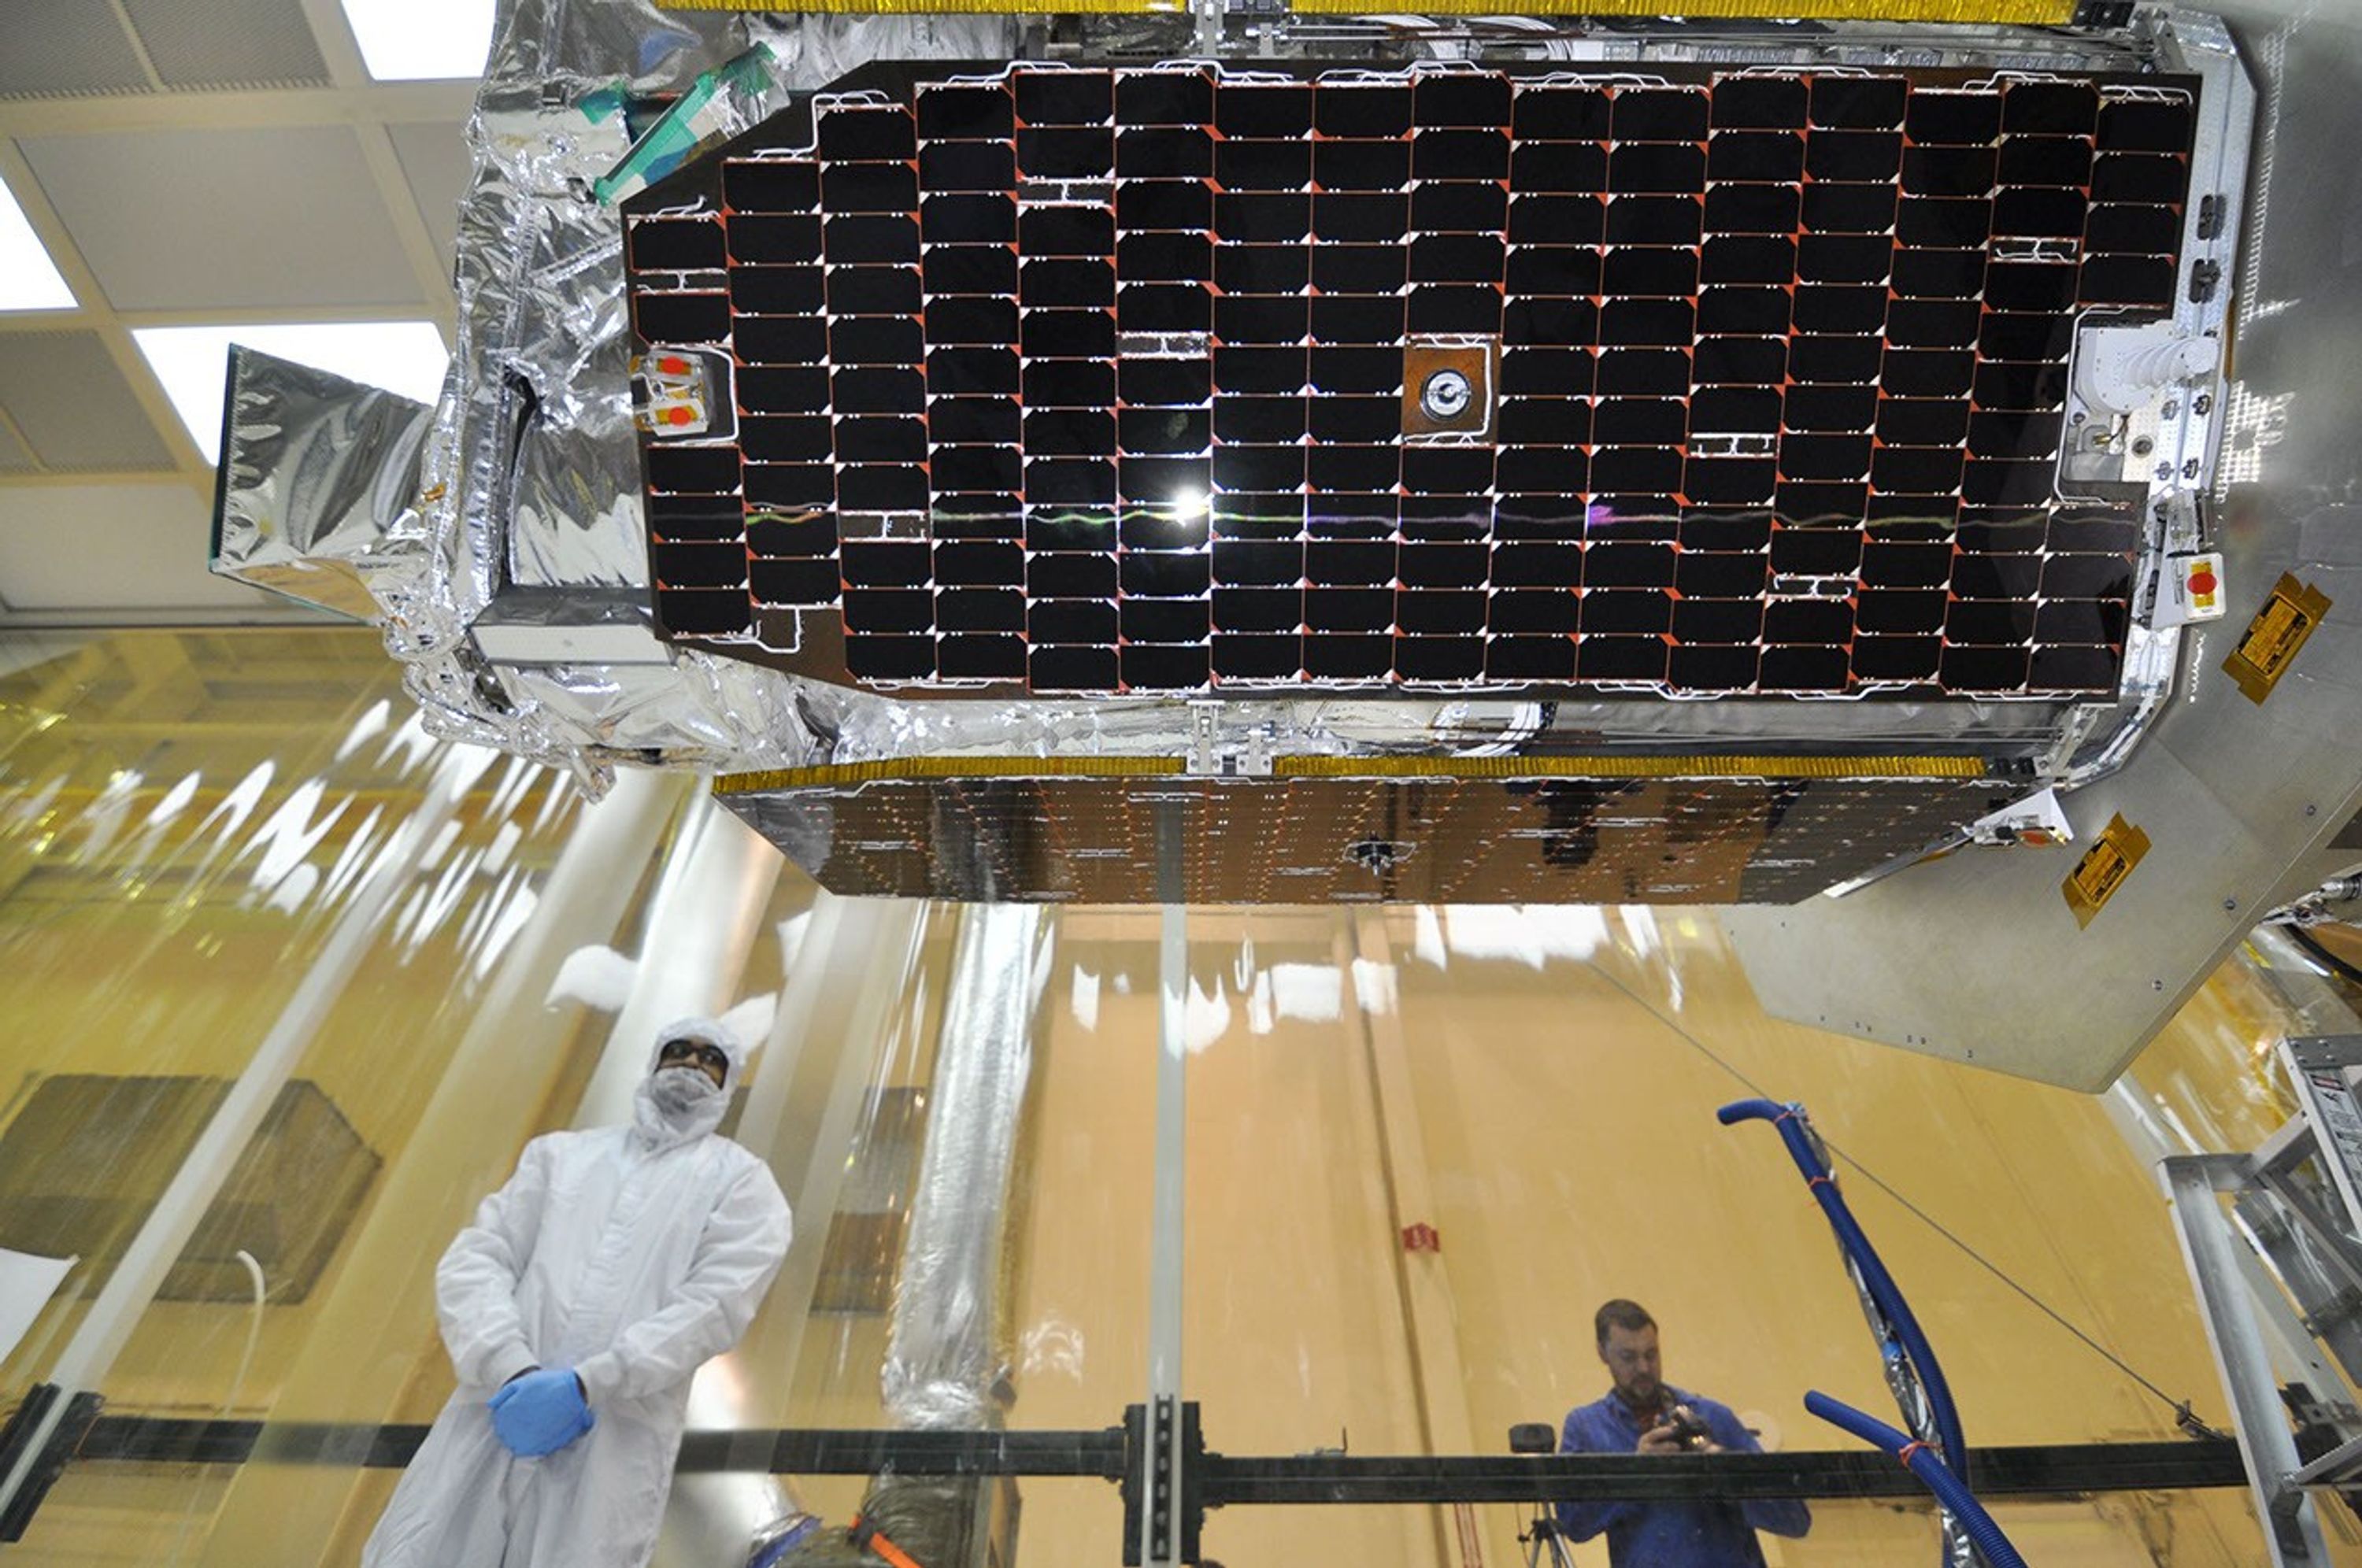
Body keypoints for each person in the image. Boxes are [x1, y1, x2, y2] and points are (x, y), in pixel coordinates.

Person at [363, 1018, 794, 1568]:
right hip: (496, 1408)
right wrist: (511, 1367)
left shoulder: (742, 1184)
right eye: (678, 1051)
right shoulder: (559, 1158)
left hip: (611, 1434)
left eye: (710, 1059)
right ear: (654, 1062)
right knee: (430, 1549)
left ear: (729, 1082)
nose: (691, 1064)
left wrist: (591, 1383)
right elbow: (477, 1260)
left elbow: (714, 1306)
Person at [1557, 1300, 1811, 1566]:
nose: (1644, 1367)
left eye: (1652, 1354)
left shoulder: (1713, 1418)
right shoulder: (1585, 1427)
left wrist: (1727, 1477)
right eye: (1629, 1357)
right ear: (1602, 1353)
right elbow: (1574, 1524)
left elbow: (1795, 1520)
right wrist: (1636, 1473)